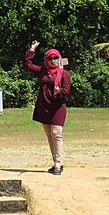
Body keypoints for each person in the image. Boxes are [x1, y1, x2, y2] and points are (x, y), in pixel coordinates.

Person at [24, 40, 72, 175]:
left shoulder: (64, 74)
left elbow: (66, 91)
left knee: (57, 134)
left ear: (59, 59)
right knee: (50, 136)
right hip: (44, 106)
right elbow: (28, 65)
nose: (52, 60)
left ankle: (59, 164)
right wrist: (32, 49)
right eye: (50, 58)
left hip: (57, 108)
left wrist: (59, 92)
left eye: (55, 58)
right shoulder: (43, 71)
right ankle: (55, 162)